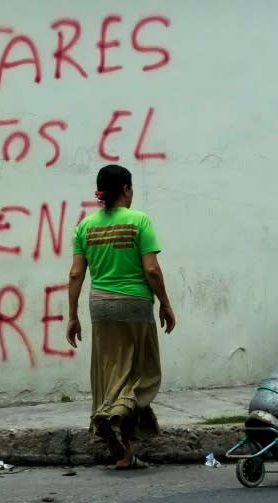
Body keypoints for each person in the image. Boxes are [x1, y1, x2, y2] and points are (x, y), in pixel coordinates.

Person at [66, 163, 176, 470]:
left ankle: (124, 454)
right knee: (143, 373)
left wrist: (72, 316)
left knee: (110, 373)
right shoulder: (139, 221)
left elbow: (76, 274)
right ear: (126, 190)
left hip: (100, 307)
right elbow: (151, 269)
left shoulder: (84, 226)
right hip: (135, 305)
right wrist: (165, 303)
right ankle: (110, 413)